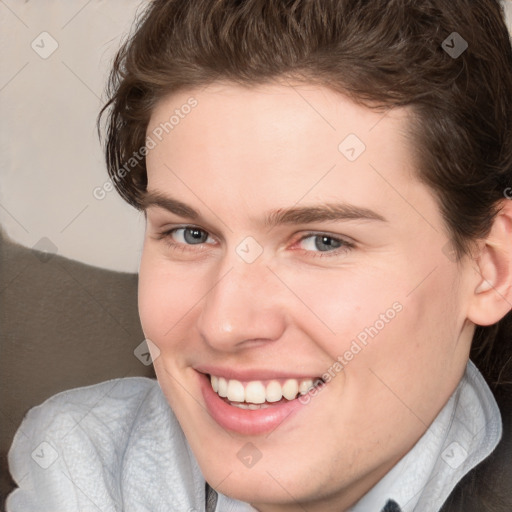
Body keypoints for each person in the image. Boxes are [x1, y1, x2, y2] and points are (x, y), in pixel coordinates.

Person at [6, 0, 512, 510]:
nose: (225, 324)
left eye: (322, 241)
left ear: (490, 268)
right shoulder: (78, 467)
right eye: (191, 234)